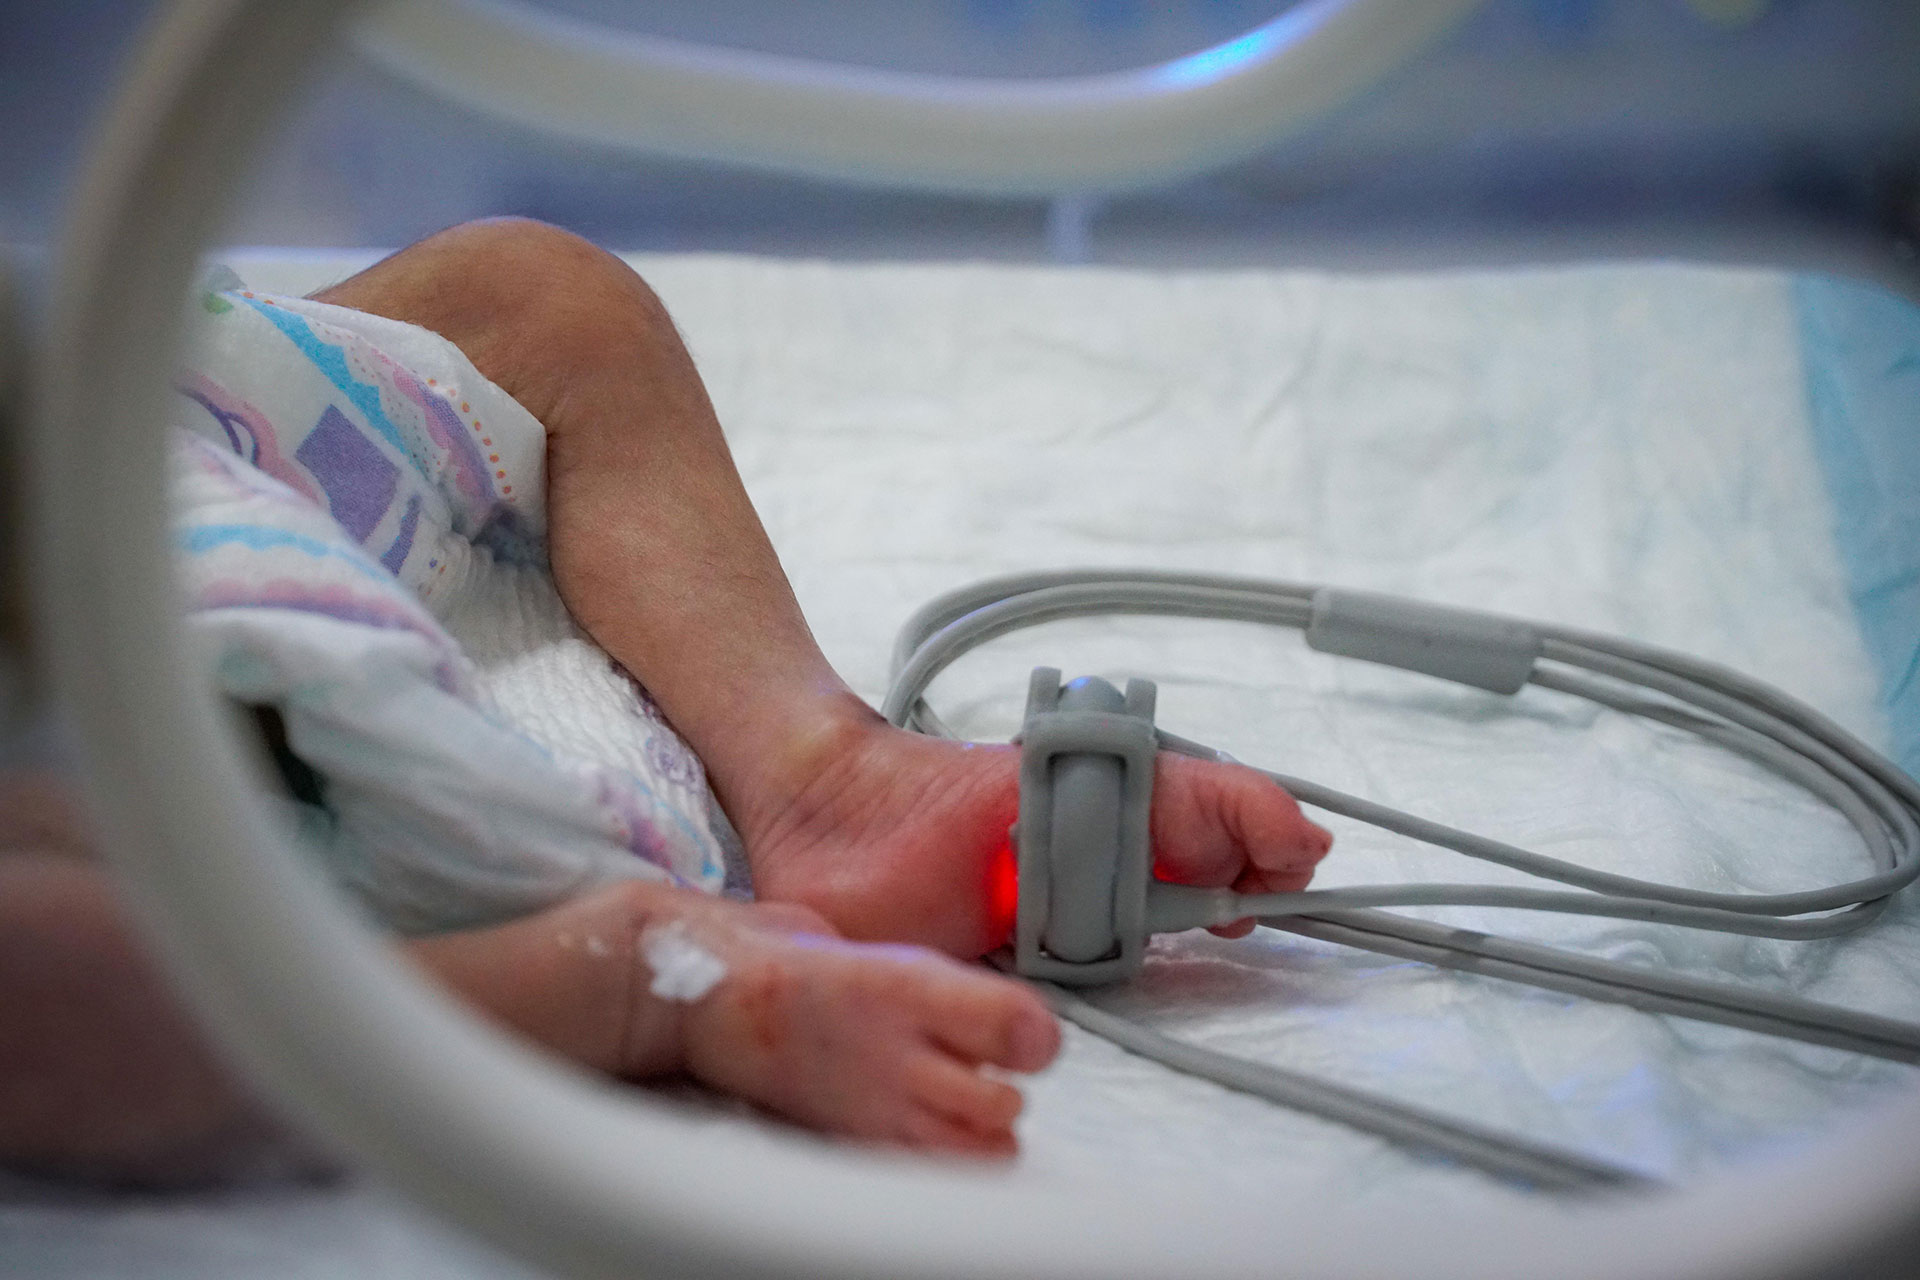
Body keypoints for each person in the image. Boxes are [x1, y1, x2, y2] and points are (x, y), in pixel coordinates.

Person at [0, 218, 1332, 1181]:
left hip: (131, 440)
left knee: (540, 298)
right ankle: (640, 983)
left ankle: (823, 779)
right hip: (100, 763)